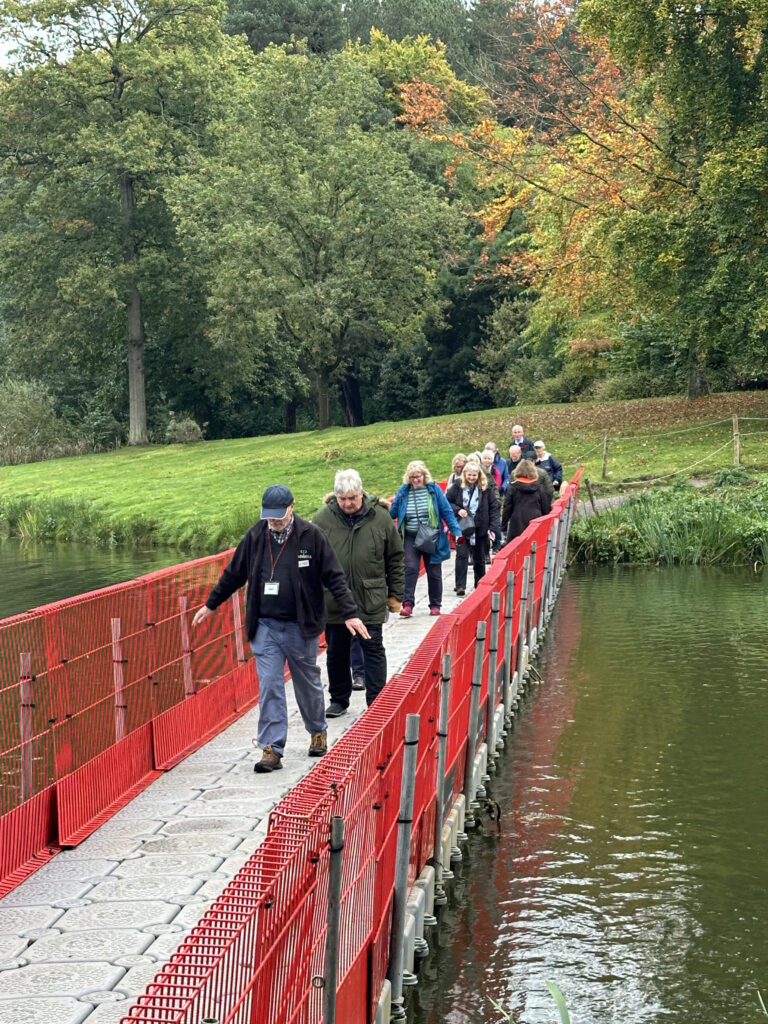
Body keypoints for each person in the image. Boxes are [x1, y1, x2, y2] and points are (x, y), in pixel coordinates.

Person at [192, 484, 369, 773]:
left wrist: (350, 614)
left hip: (300, 626)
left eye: (278, 515)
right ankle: (272, 747)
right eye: (268, 516)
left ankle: (317, 730)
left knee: (307, 683)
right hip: (265, 626)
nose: (273, 521)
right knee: (270, 685)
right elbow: (233, 573)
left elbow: (335, 577)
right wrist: (211, 605)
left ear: (292, 507)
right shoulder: (255, 536)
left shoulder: (311, 536)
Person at [313, 469, 405, 717]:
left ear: (361, 493)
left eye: (352, 498)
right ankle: (339, 699)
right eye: (342, 499)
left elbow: (395, 557)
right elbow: (311, 562)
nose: (347, 503)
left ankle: (376, 700)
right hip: (334, 601)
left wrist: (396, 594)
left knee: (373, 647)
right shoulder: (322, 520)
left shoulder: (381, 517)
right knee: (336, 651)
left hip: (370, 596)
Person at [389, 460, 463, 617]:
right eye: (412, 477)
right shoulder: (404, 491)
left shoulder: (434, 490)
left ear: (424, 475)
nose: (416, 480)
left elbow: (446, 511)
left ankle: (435, 605)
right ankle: (408, 604)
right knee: (410, 569)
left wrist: (457, 532)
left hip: (431, 536)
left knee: (434, 571)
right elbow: (393, 513)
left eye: (418, 476)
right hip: (410, 536)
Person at [445, 460, 500, 595]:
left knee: (479, 558)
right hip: (462, 528)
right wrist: (458, 510)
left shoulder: (486, 488)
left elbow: (493, 507)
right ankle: (460, 586)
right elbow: (446, 501)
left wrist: (493, 527)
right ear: (465, 474)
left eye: (474, 475)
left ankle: (479, 584)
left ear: (479, 475)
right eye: (469, 475)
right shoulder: (457, 486)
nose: (471, 478)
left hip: (480, 527)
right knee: (461, 556)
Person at [502, 460, 552, 541]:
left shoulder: (512, 487)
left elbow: (507, 507)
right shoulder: (540, 488)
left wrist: (503, 526)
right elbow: (545, 508)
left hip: (516, 524)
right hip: (535, 524)